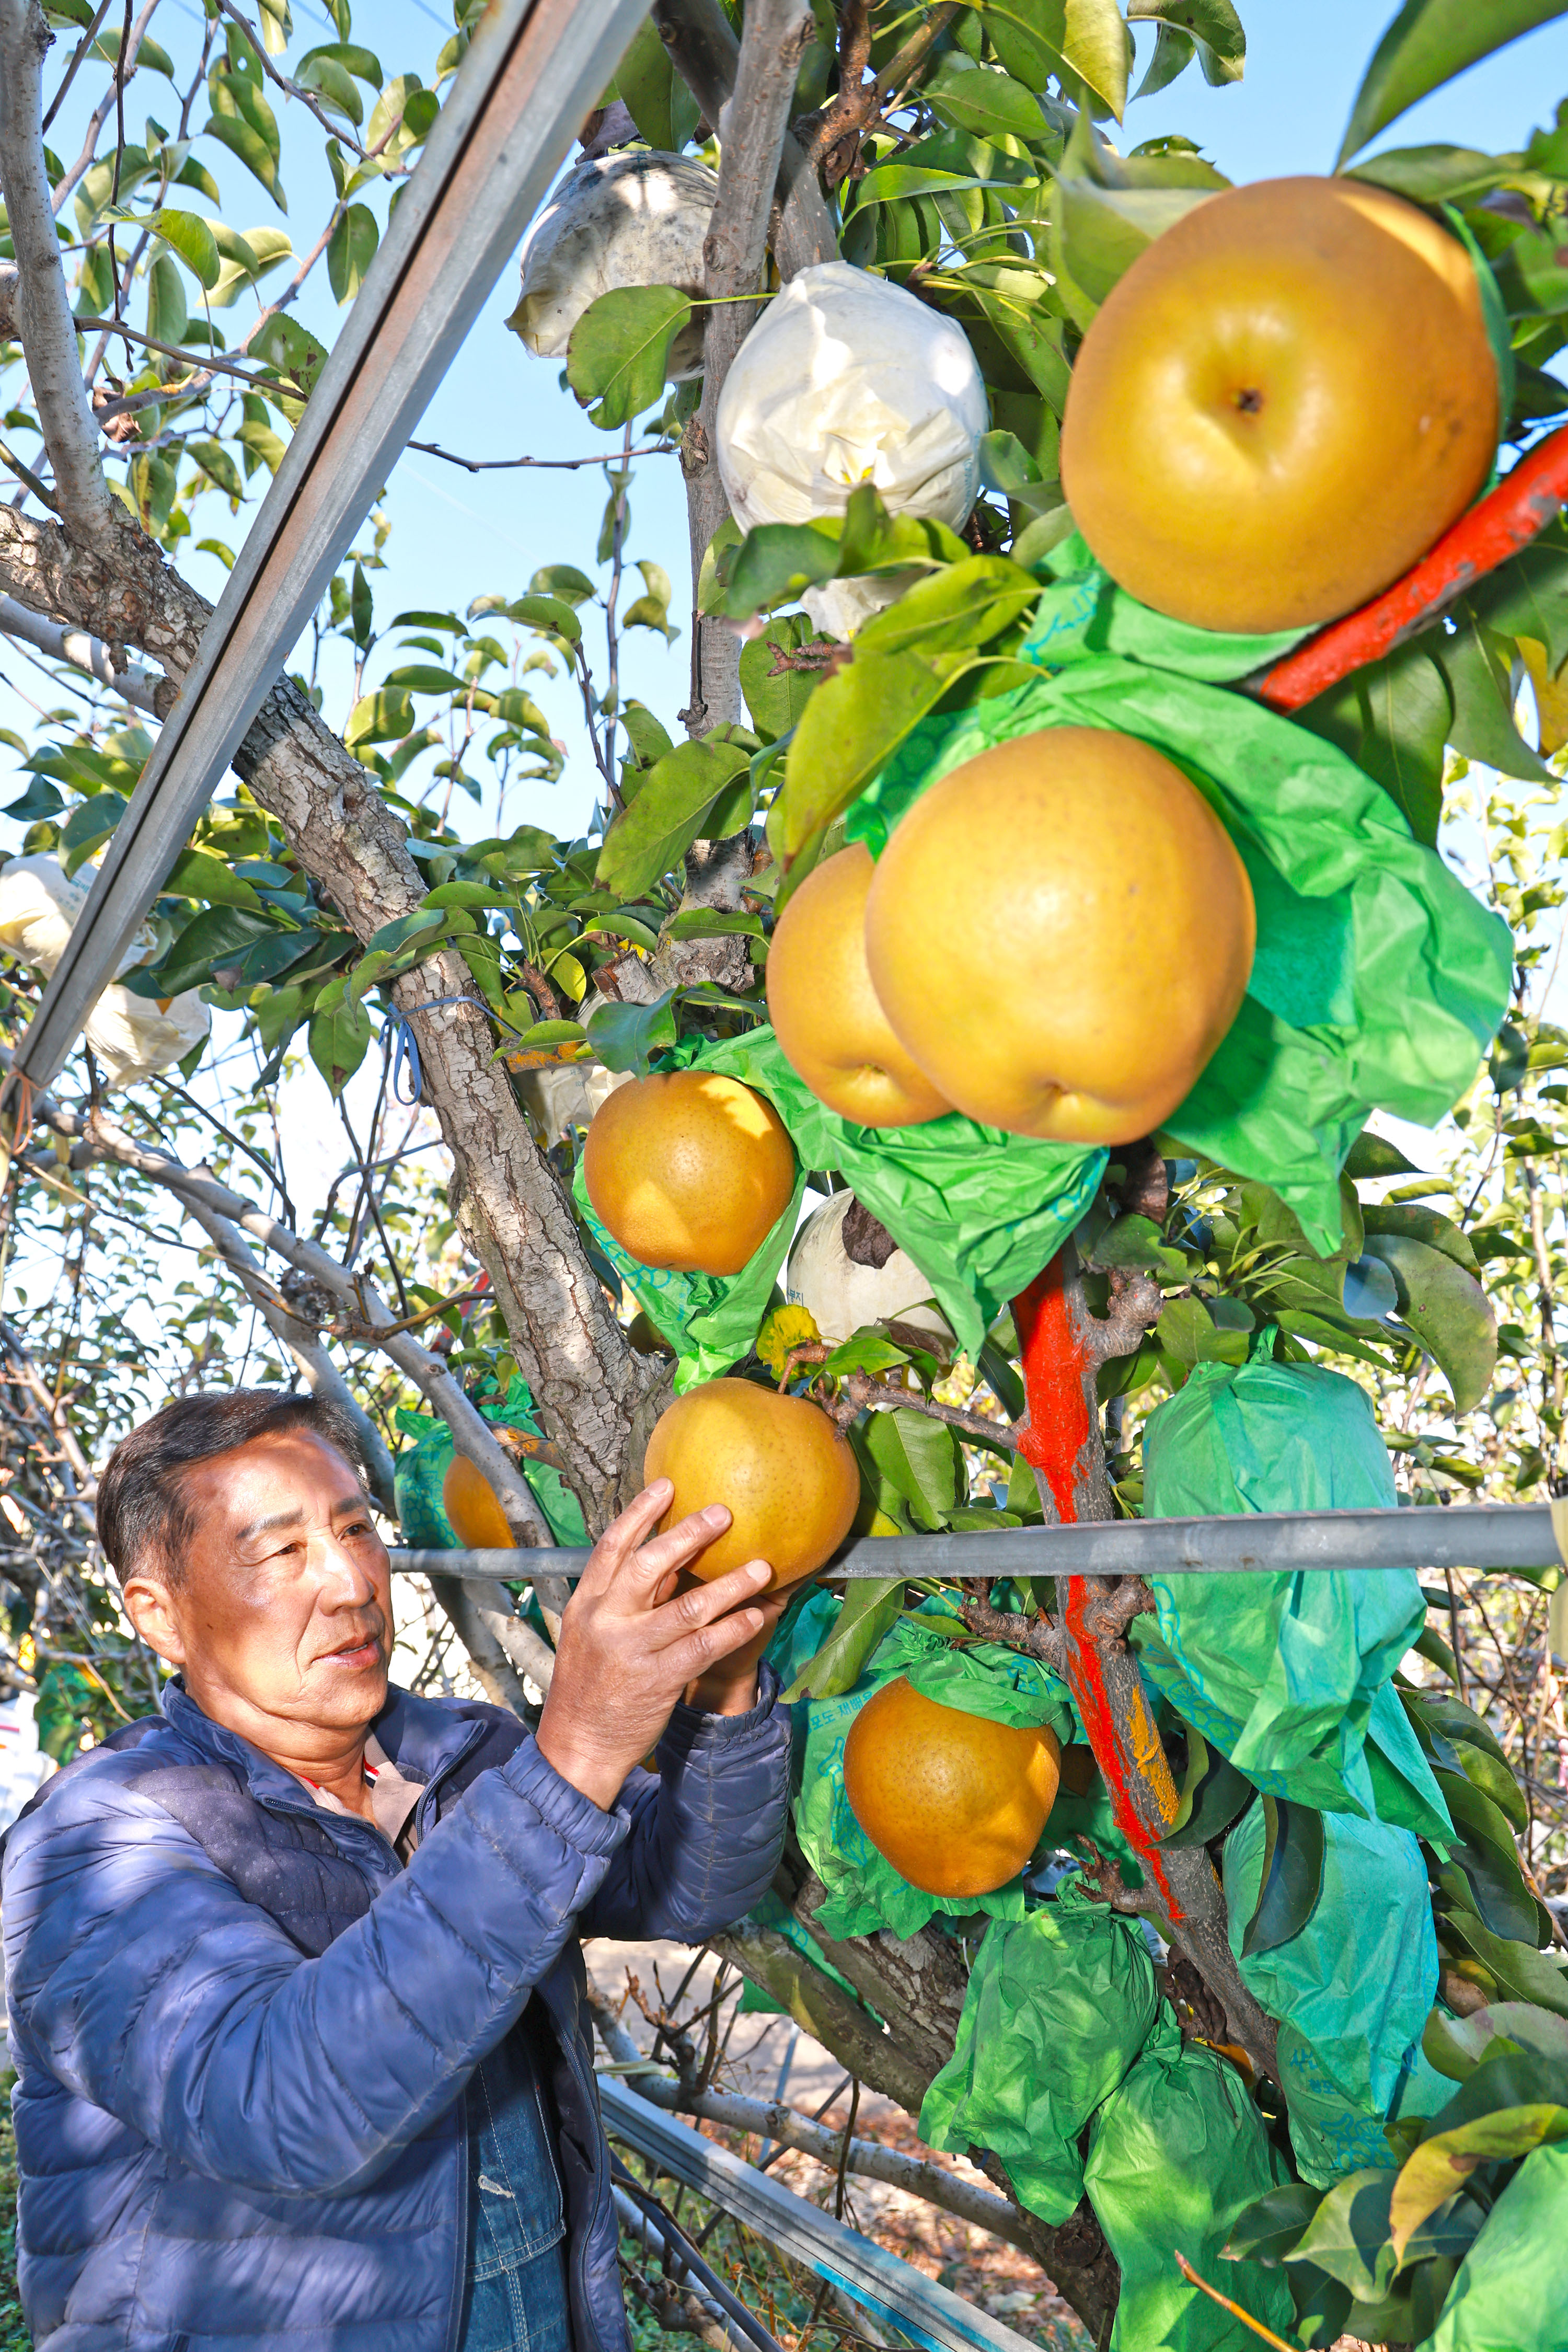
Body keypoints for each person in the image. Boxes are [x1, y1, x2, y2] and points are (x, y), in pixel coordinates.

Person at [2, 1389, 794, 2352]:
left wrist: (718, 1690)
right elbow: (278, 2103)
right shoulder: (97, 1843)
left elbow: (691, 1884)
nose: (348, 1582)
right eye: (282, 1551)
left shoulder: (459, 1756)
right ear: (159, 1616)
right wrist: (576, 1755)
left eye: (356, 1530)